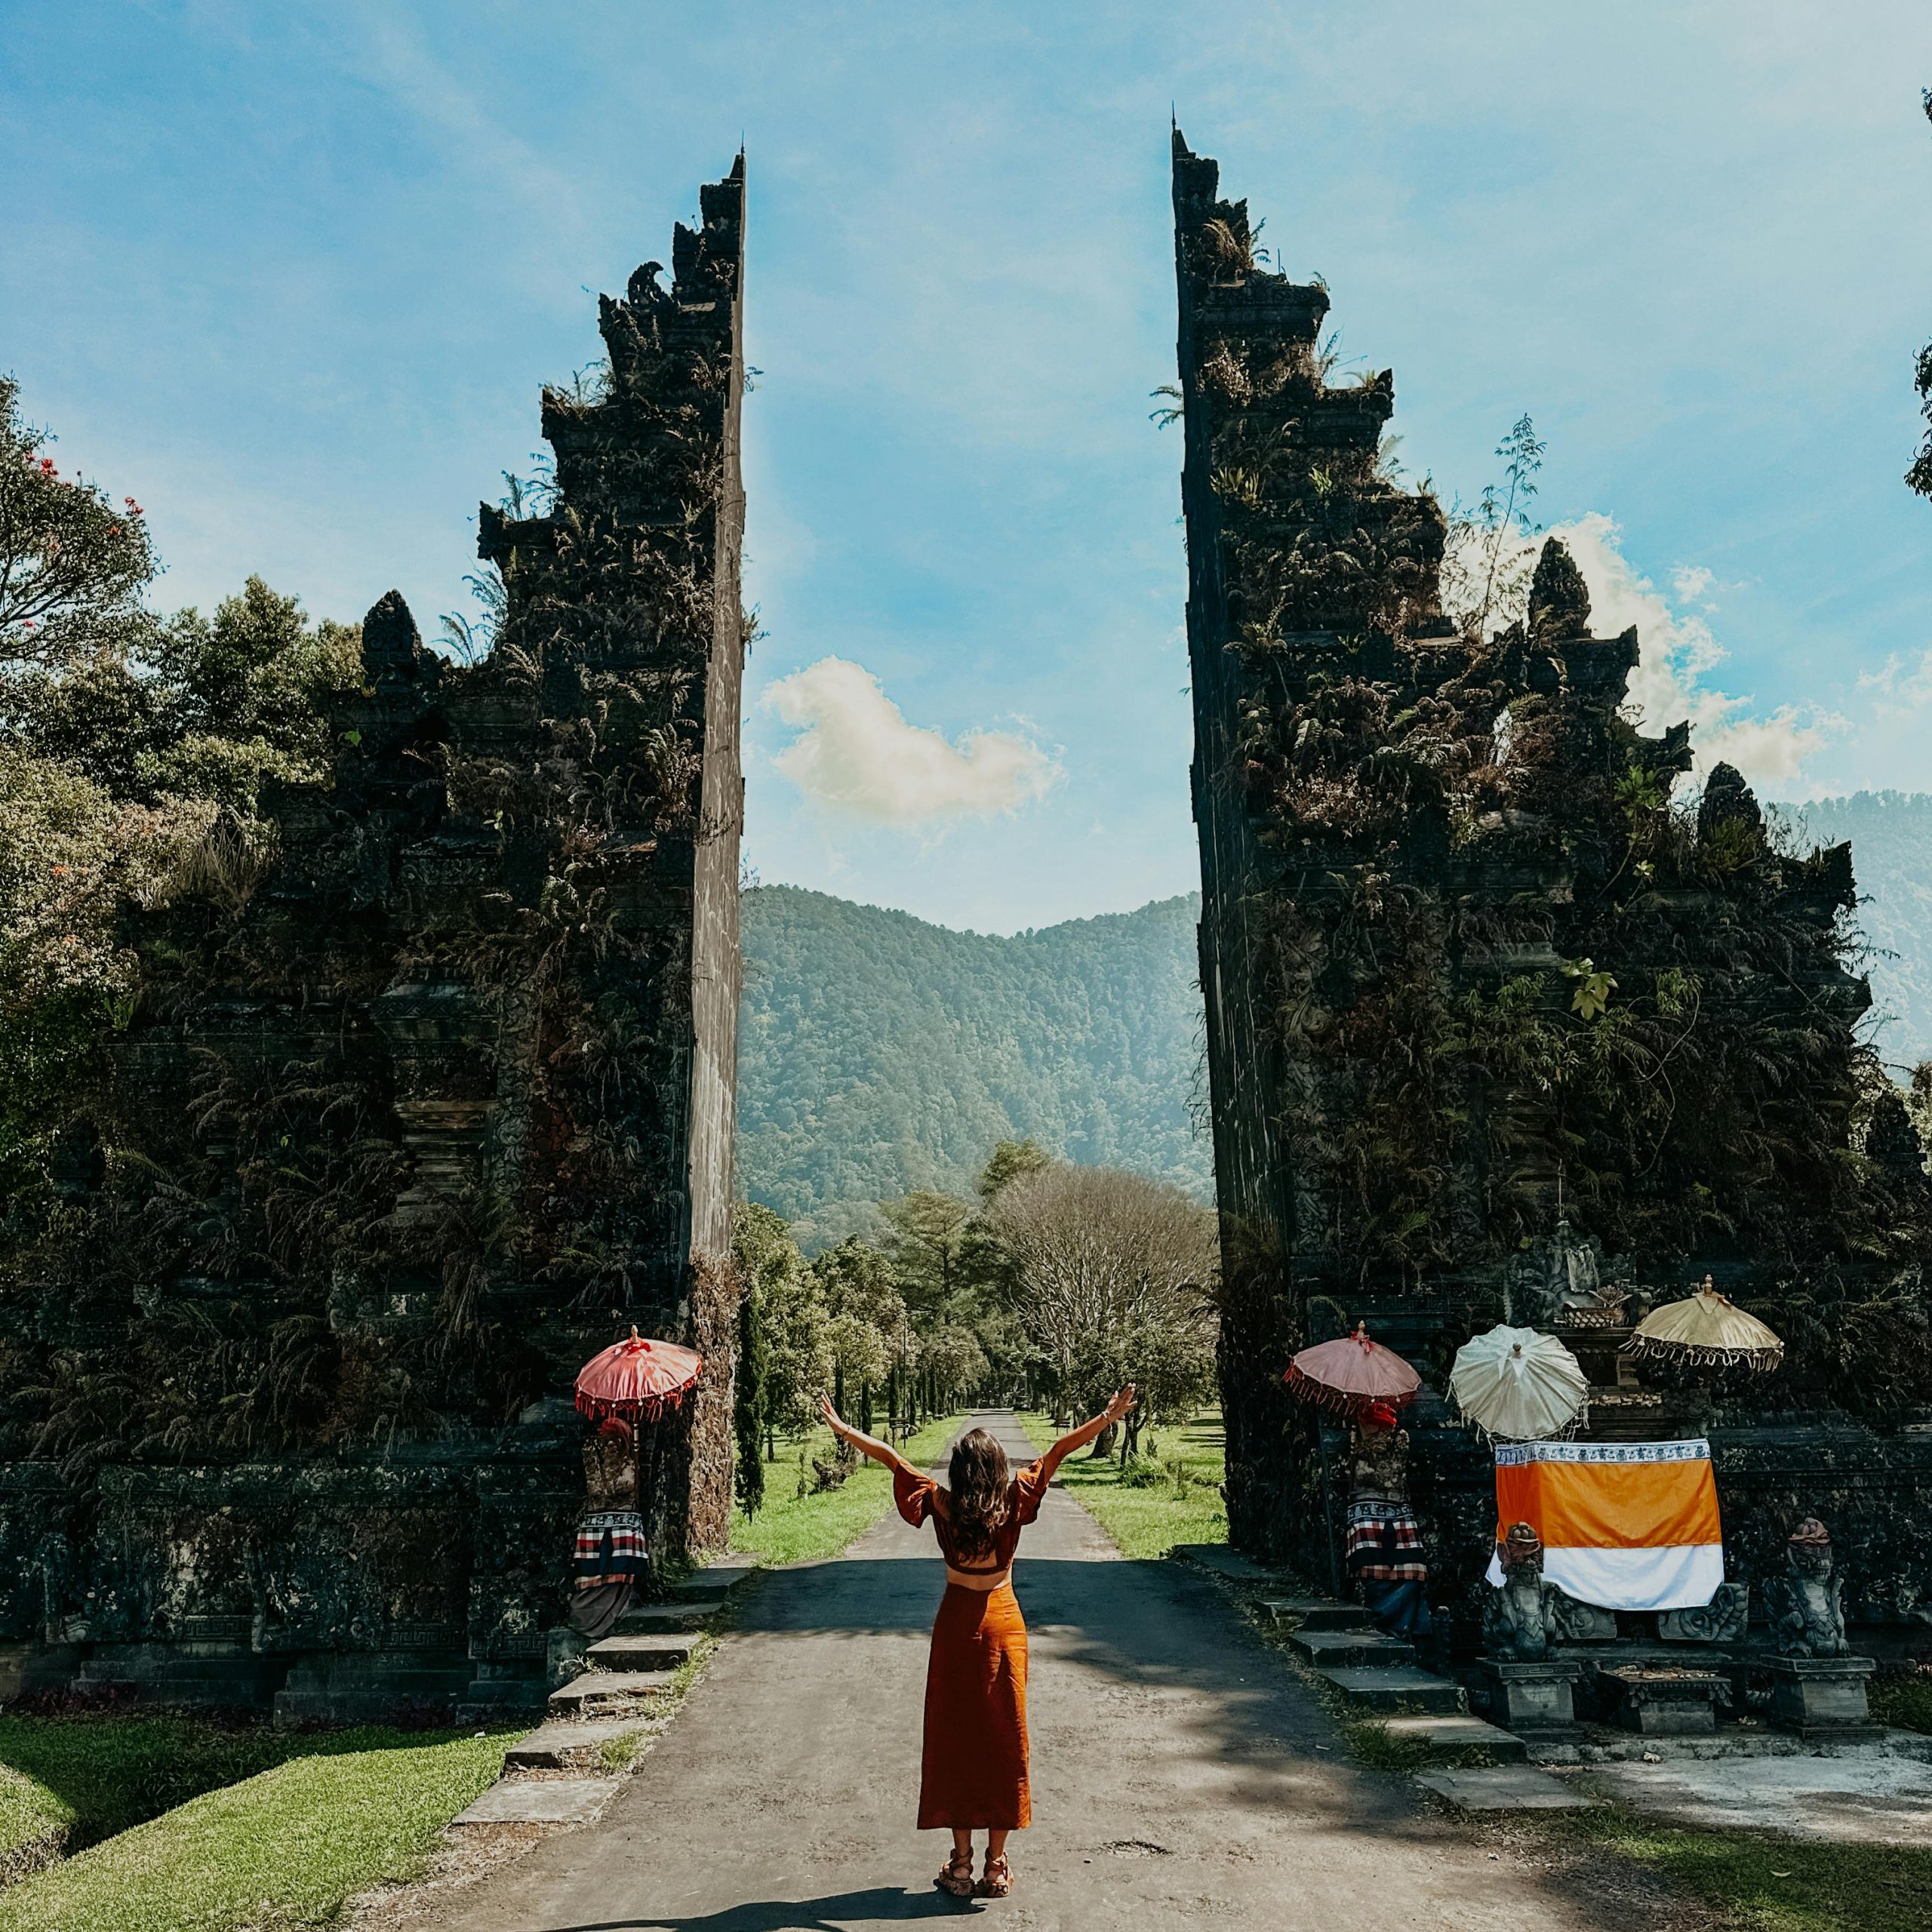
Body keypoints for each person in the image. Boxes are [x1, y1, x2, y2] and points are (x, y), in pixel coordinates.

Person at [820, 1387, 1136, 1900]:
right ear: (998, 1468)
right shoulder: (1014, 1501)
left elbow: (891, 1459)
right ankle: (996, 1864)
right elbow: (1058, 1450)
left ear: (960, 1471)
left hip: (955, 1627)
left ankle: (961, 1866)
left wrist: (844, 1430)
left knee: (954, 1740)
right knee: (1003, 1739)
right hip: (1004, 1625)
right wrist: (1108, 1415)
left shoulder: (940, 1503)